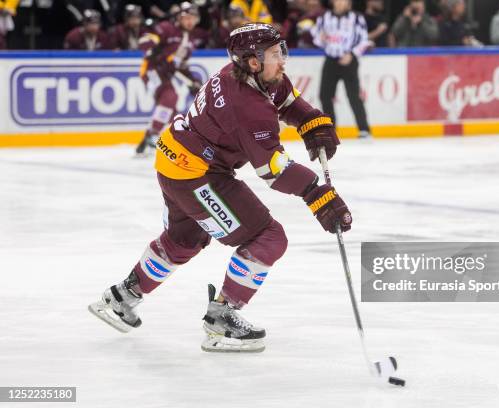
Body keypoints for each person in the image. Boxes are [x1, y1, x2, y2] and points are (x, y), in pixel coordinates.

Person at [89, 23, 352, 353]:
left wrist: (312, 121)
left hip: (175, 163)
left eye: (281, 51)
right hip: (195, 175)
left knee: (184, 239)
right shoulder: (247, 107)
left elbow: (287, 98)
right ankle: (222, 319)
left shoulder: (248, 73)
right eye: (275, 54)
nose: (283, 60)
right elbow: (272, 169)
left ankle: (121, 297)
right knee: (269, 237)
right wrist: (317, 193)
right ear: (253, 61)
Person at [135, 1, 203, 156]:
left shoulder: (190, 41)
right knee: (170, 97)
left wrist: (193, 81)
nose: (190, 21)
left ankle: (147, 138)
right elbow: (145, 40)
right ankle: (153, 134)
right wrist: (151, 49)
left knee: (172, 110)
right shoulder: (167, 28)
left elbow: (182, 66)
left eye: (193, 18)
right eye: (186, 17)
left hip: (165, 74)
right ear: (179, 18)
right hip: (152, 70)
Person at [311, 0, 371, 139]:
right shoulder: (324, 18)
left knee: (354, 95)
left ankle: (364, 129)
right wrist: (321, 38)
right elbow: (317, 39)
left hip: (349, 60)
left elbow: (364, 40)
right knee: (324, 95)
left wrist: (352, 54)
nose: (340, 3)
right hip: (331, 59)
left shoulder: (356, 18)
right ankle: (332, 129)